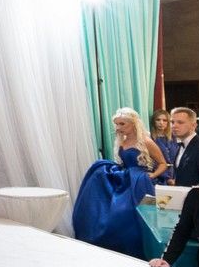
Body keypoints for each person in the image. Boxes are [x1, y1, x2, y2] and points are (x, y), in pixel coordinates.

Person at [72, 107, 168, 258]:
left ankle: (140, 250)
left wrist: (152, 175)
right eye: (117, 124)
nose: (118, 127)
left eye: (122, 124)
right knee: (99, 171)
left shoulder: (146, 141)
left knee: (134, 216)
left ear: (133, 123)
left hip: (140, 182)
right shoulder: (122, 141)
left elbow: (163, 163)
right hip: (126, 178)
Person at [170, 106, 199, 187]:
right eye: (172, 122)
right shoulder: (179, 145)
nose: (174, 126)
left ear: (193, 125)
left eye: (180, 122)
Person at [150, 108, 177, 185]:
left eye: (164, 120)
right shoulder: (150, 138)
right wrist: (167, 178)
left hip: (175, 177)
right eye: (158, 120)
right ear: (153, 121)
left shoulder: (173, 137)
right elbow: (153, 162)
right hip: (158, 177)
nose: (161, 123)